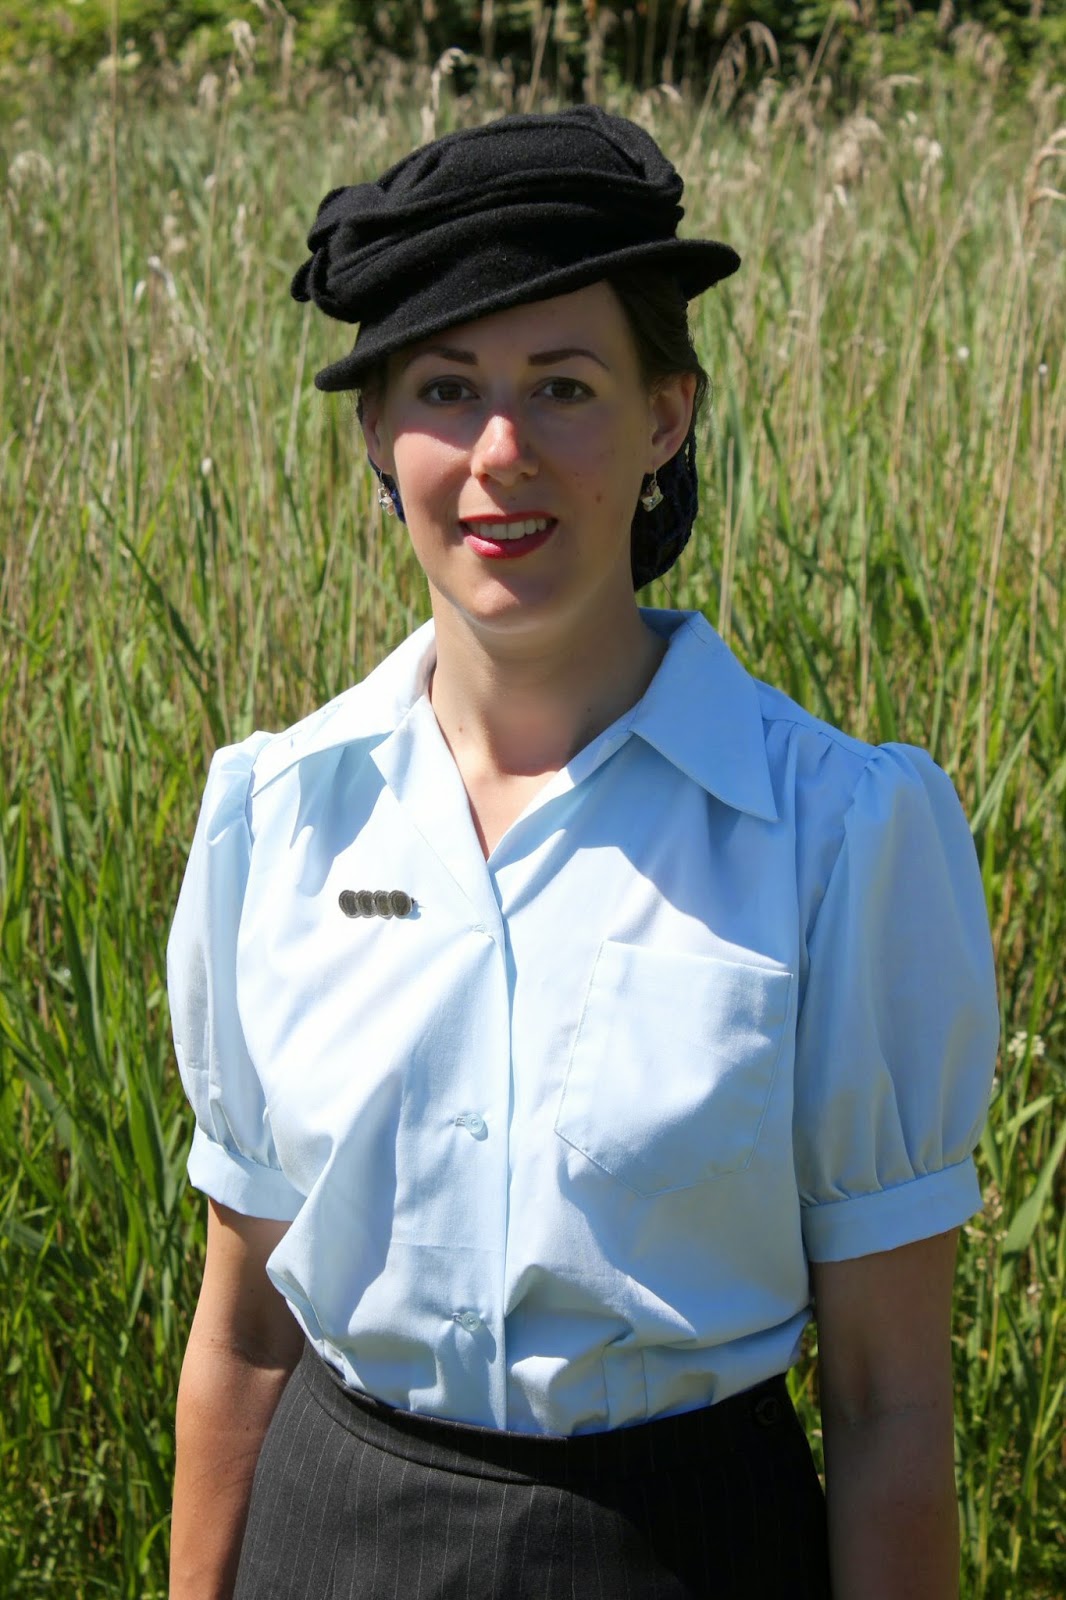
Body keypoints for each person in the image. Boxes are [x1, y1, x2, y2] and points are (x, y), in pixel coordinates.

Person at [166, 107, 998, 1600]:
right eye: (443, 388)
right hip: (326, 1540)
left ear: (664, 414)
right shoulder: (275, 818)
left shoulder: (838, 831)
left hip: (682, 1552)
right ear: (376, 432)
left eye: (562, 386)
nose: (500, 454)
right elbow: (242, 1337)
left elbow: (890, 1401)